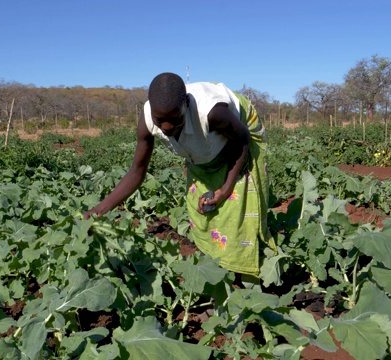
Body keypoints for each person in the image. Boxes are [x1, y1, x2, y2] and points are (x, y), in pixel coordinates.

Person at [84, 72, 274, 278]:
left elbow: (243, 140)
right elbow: (137, 171)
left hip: (239, 138)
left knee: (237, 208)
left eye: (174, 119)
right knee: (202, 207)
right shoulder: (148, 119)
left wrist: (226, 189)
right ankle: (217, 266)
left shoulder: (213, 113)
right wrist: (99, 210)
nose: (166, 128)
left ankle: (248, 271)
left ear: (186, 104)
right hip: (206, 151)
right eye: (160, 120)